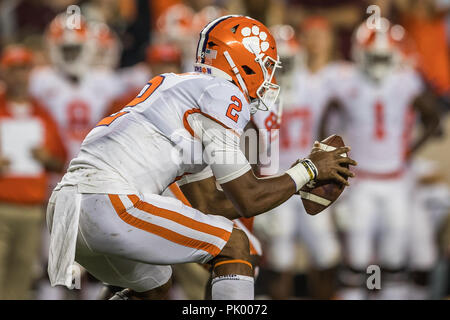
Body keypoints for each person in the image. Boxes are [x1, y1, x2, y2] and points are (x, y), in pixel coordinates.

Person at [46, 15, 356, 300]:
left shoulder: (182, 88)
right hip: (108, 200)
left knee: (155, 285)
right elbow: (248, 198)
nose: (268, 78)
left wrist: (292, 182)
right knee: (235, 245)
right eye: (264, 65)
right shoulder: (224, 93)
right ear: (242, 62)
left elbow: (209, 202)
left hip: (66, 209)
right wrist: (310, 169)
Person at [320, 18, 440, 300]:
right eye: (373, 57)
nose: (378, 64)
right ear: (360, 54)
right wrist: (331, 156)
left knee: (394, 256)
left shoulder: (405, 81)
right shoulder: (346, 80)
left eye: (383, 57)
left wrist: (408, 151)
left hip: (395, 181)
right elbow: (326, 116)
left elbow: (434, 119)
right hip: (360, 181)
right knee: (357, 257)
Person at [252, 17, 343, 299]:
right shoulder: (254, 94)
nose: (285, 69)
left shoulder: (318, 84)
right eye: (280, 63)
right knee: (279, 262)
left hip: (310, 177)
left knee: (326, 256)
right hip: (274, 181)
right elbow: (249, 147)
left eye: (289, 61)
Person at [0, 45, 66, 299]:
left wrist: (45, 158)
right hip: (2, 206)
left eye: (24, 70)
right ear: (4, 74)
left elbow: (58, 160)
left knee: (21, 275)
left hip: (30, 209)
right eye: (14, 70)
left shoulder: (42, 114)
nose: (20, 76)